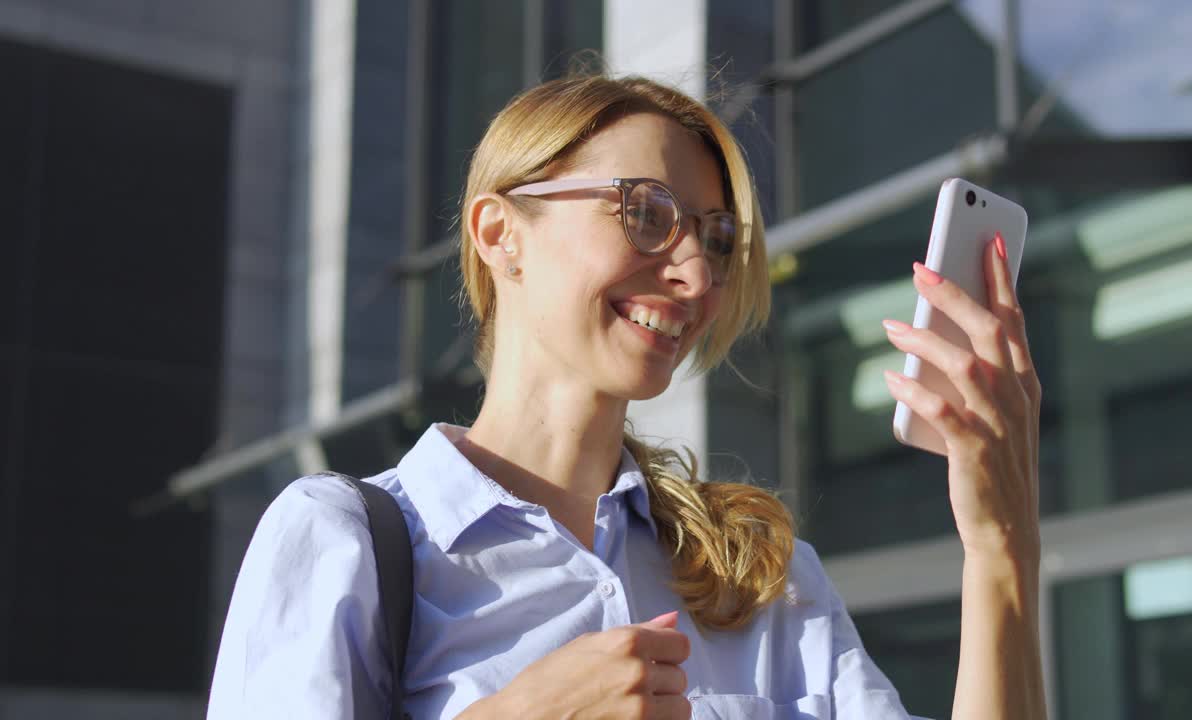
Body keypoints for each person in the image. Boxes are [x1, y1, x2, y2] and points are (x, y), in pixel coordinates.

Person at [207, 73, 1046, 720]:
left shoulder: (761, 576)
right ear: (501, 234)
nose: (694, 274)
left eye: (717, 240)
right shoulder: (344, 541)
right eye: (646, 213)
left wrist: (1001, 548)